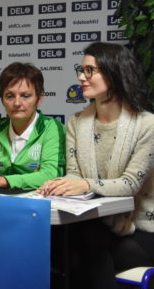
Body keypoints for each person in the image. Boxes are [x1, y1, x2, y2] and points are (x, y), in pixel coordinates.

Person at [38, 42, 154, 289]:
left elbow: (129, 184)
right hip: (95, 224)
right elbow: (74, 174)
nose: (82, 77)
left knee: (81, 249)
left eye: (90, 70)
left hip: (142, 230)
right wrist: (62, 186)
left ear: (113, 73)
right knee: (63, 242)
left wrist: (83, 184)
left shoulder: (147, 125)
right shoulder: (76, 122)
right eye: (81, 71)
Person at [0, 62, 65, 190]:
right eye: (9, 96)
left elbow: (50, 175)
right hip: (2, 201)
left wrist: (4, 180)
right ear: (2, 99)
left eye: (25, 96)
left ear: (39, 98)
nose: (17, 103)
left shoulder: (51, 128)